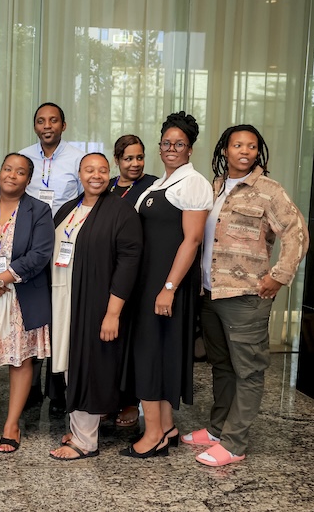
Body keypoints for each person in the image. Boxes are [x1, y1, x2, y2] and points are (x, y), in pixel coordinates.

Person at [182, 125, 309, 466]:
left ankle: (234, 443)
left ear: (257, 152)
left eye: (251, 146)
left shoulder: (269, 190)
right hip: (211, 293)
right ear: (225, 150)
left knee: (248, 371)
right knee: (221, 366)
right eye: (237, 145)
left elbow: (296, 232)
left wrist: (279, 276)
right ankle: (217, 430)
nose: (244, 151)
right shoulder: (215, 187)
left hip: (246, 296)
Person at [121, 111, 213, 459]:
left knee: (151, 355)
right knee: (154, 353)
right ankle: (168, 427)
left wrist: (169, 287)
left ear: (190, 149)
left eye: (179, 144)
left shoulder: (193, 183)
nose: (172, 148)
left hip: (167, 285)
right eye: (167, 143)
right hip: (150, 283)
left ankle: (154, 435)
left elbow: (192, 240)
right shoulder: (161, 182)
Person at [47, 153, 143, 460]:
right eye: (89, 170)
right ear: (80, 173)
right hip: (64, 300)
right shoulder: (69, 208)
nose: (96, 175)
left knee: (88, 367)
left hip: (95, 303)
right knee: (69, 363)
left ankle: (86, 442)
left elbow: (129, 264)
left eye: (102, 170)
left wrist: (112, 313)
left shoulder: (121, 212)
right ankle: (78, 429)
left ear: (110, 173)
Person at [0, 153, 54, 452]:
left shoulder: (39, 210)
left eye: (19, 172)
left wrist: (1, 279)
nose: (11, 175)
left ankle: (11, 424)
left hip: (20, 295)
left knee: (21, 360)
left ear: (28, 179)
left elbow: (40, 254)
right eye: (7, 169)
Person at [19, 102, 85, 415]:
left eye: (53, 120)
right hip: (31, 246)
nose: (47, 126)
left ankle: (58, 390)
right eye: (41, 121)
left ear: (63, 125)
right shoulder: (24, 157)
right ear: (35, 126)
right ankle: (29, 389)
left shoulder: (77, 158)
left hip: (65, 244)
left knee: (60, 312)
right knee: (33, 313)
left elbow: (85, 200)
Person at [109, 134, 157, 428]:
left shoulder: (153, 187)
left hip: (140, 272)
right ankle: (109, 399)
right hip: (108, 273)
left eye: (139, 157)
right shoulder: (108, 187)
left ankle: (131, 401)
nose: (135, 163)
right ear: (117, 160)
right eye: (128, 158)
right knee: (110, 341)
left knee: (132, 340)